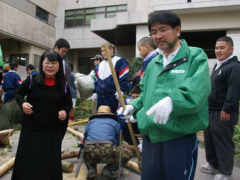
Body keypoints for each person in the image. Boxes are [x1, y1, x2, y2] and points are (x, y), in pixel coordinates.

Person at [118, 10, 211, 180]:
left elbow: (198, 89)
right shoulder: (154, 63)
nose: (158, 35)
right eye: (153, 32)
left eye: (163, 29)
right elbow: (146, 93)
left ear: (177, 30)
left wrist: (172, 101)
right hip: (152, 137)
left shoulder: (195, 56)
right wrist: (134, 106)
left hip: (178, 137)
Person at [12, 50, 72, 180]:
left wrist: (64, 111)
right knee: (28, 158)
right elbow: (18, 94)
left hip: (52, 129)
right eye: (47, 62)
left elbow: (68, 104)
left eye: (54, 63)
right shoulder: (32, 79)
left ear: (59, 66)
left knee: (50, 161)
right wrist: (23, 104)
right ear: (42, 64)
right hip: (31, 127)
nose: (50, 66)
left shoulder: (63, 84)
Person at [201, 36, 240, 180]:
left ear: (231, 49)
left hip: (223, 111)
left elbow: (234, 89)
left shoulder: (234, 67)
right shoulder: (219, 65)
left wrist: (228, 108)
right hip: (211, 110)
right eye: (217, 48)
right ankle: (213, 164)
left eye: (222, 48)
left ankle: (225, 172)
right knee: (210, 139)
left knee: (223, 141)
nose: (218, 50)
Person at [83, 105, 132, 180]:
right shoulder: (115, 123)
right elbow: (118, 143)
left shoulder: (90, 123)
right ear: (110, 113)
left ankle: (91, 169)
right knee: (128, 154)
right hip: (107, 149)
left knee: (83, 151)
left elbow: (84, 139)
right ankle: (108, 170)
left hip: (90, 150)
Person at [92, 42, 129, 114]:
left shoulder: (119, 61)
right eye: (102, 51)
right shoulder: (99, 65)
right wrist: (95, 92)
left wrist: (121, 90)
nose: (103, 53)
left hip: (113, 96)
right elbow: (96, 80)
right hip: (100, 97)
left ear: (111, 49)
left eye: (105, 50)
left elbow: (123, 77)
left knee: (113, 117)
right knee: (100, 117)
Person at [53, 38, 72, 139]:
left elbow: (67, 85)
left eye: (66, 52)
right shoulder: (47, 60)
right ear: (56, 48)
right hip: (51, 98)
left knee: (62, 125)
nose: (64, 54)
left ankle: (58, 144)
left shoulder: (66, 65)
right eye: (63, 51)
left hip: (62, 100)